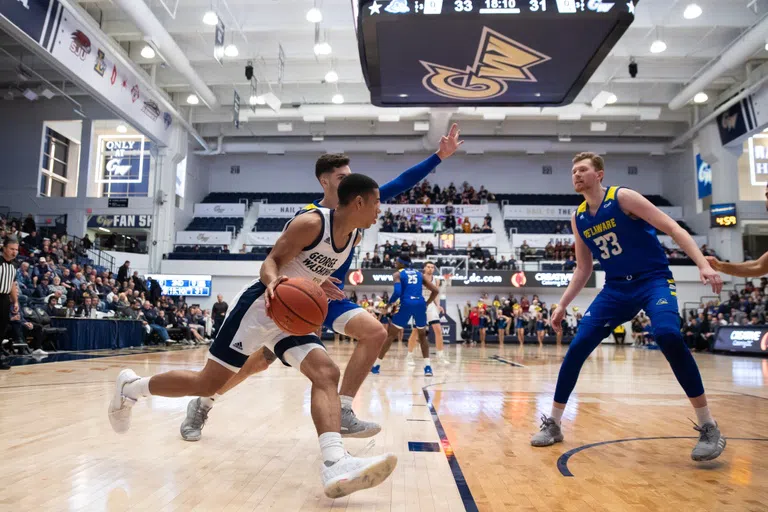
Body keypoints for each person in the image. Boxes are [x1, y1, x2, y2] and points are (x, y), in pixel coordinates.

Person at [109, 174, 398, 498]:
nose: (379, 210)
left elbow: (310, 269)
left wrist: (321, 283)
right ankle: (131, 388)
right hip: (262, 306)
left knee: (326, 373)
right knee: (208, 383)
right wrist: (276, 283)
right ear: (358, 202)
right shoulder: (312, 224)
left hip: (290, 318)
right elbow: (271, 262)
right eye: (376, 203)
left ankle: (335, 463)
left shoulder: (354, 237)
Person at [177, 124, 464, 442]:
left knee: (374, 333)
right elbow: (278, 259)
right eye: (342, 178)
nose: (350, 183)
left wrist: (439, 155)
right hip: (301, 293)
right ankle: (203, 402)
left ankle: (342, 410)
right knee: (258, 362)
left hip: (332, 299)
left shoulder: (357, 207)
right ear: (325, 182)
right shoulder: (310, 217)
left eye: (350, 177)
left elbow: (400, 183)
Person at [530, 152, 726, 463]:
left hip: (653, 280)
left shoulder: (623, 197)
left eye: (583, 170)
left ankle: (708, 425)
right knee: (578, 346)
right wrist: (563, 304)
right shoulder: (579, 217)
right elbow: (583, 269)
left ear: (600, 175)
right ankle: (553, 424)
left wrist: (702, 264)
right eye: (573, 171)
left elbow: (673, 228)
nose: (576, 175)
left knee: (667, 335)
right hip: (616, 288)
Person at [372, 254, 439, 376]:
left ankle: (376, 366)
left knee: (390, 336)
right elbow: (436, 291)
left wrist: (388, 306)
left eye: (397, 261)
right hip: (419, 304)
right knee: (422, 336)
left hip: (406, 304)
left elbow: (397, 292)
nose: (395, 263)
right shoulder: (419, 274)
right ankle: (428, 367)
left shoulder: (397, 274)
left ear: (401, 263)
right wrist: (427, 303)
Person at [405, 262, 449, 366]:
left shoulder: (436, 280)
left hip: (430, 305)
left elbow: (436, 295)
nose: (430, 269)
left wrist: (438, 305)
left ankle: (440, 357)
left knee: (438, 330)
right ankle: (409, 356)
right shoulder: (418, 278)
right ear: (424, 268)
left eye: (432, 267)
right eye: (428, 267)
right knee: (415, 331)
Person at [0, 237, 19, 370]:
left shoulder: (13, 265)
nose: (14, 252)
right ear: (4, 248)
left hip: (4, 299)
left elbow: (12, 284)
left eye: (16, 249)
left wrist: (16, 300)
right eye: (12, 249)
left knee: (1, 330)